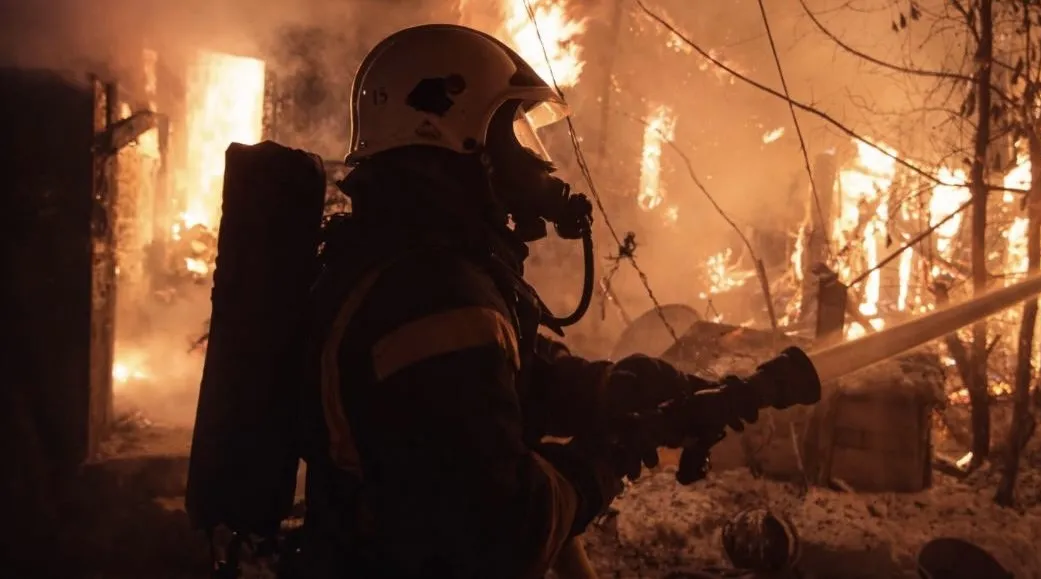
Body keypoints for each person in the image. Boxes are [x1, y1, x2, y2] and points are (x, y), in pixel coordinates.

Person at [301, 23, 763, 579]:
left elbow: (504, 380)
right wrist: (611, 452)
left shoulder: (413, 264)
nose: (535, 163)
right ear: (454, 137)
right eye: (510, 136)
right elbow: (508, 530)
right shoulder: (434, 297)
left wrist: (615, 389)